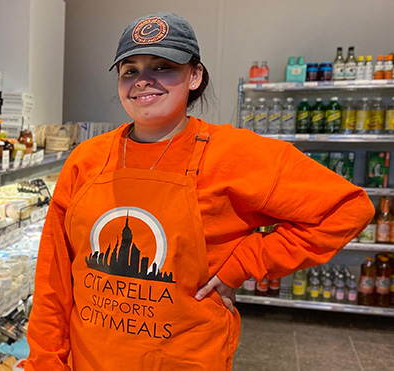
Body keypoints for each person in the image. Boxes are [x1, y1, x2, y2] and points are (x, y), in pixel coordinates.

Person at [26, 12, 374, 370]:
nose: (142, 81)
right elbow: (53, 278)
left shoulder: (233, 153)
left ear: (195, 76)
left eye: (162, 67)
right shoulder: (87, 159)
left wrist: (245, 262)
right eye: (130, 70)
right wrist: (44, 362)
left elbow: (347, 208)